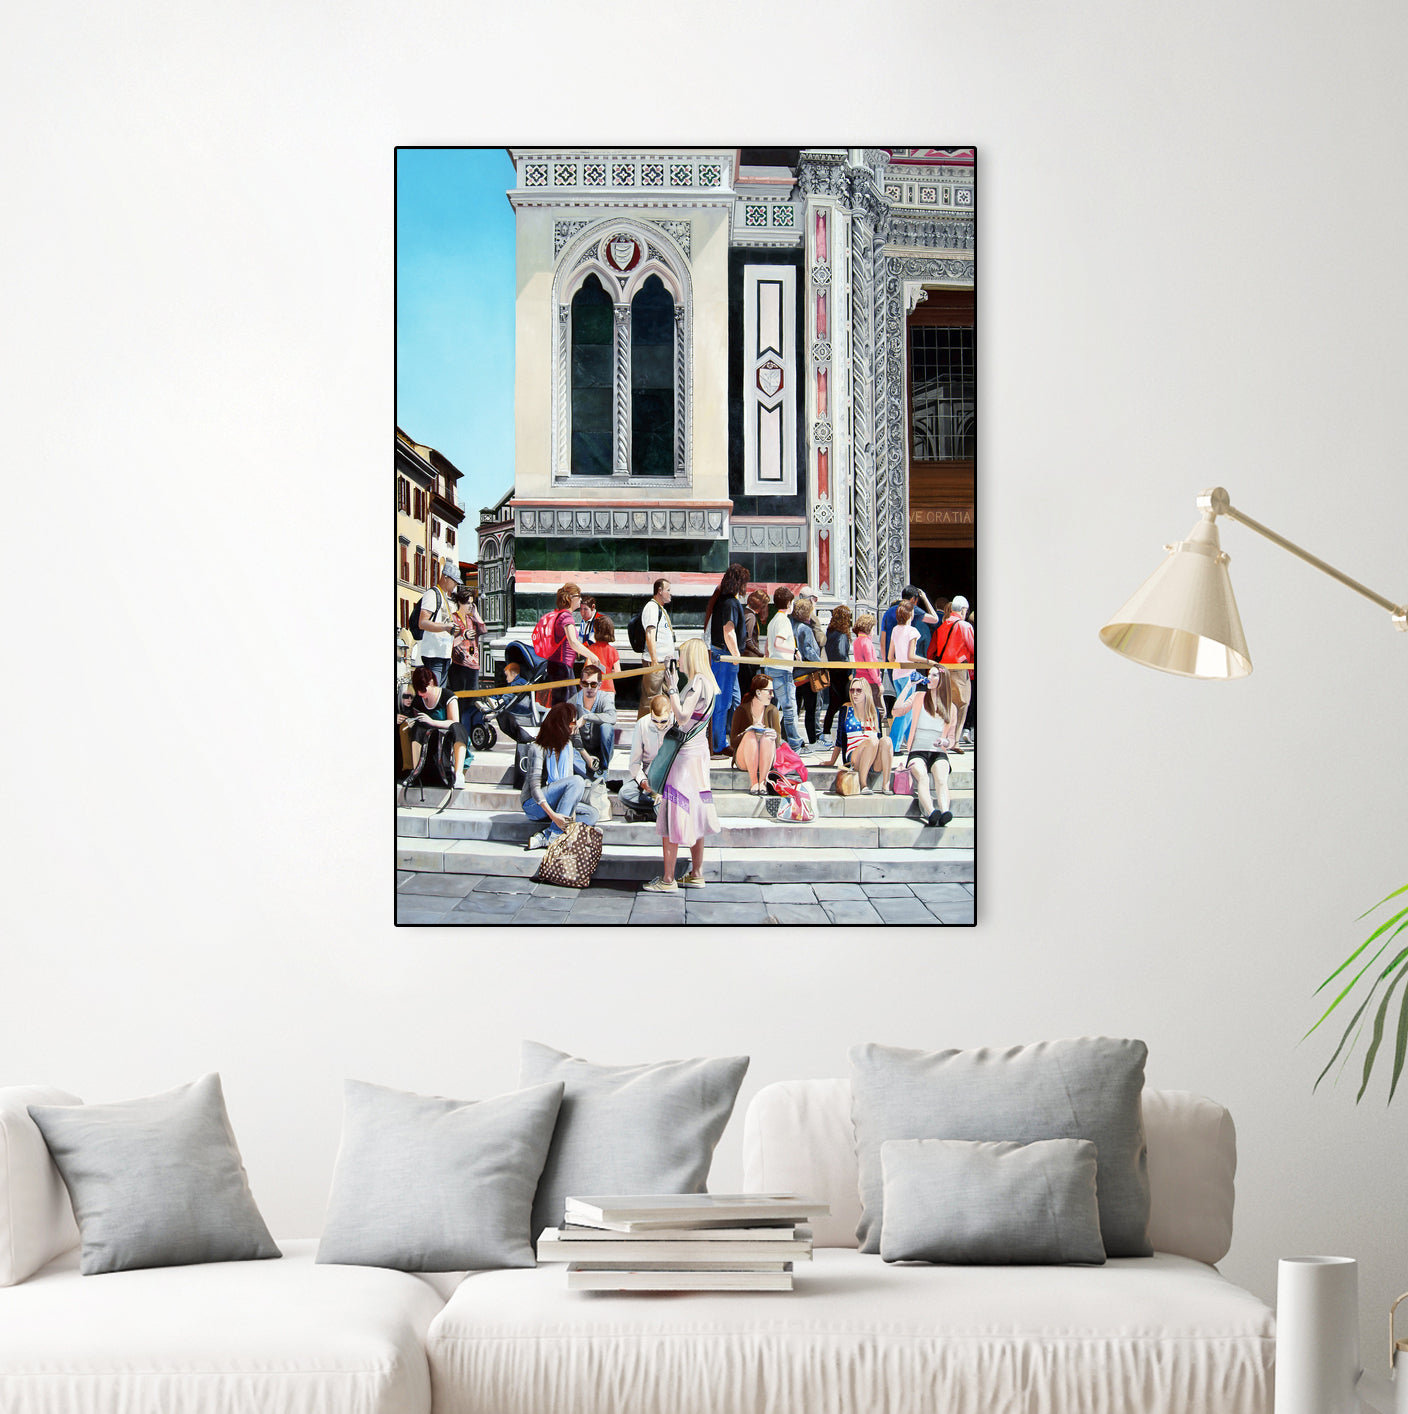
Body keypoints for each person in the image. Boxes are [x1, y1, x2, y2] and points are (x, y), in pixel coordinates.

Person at [642, 638, 719, 893]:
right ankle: (696, 873)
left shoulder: (697, 682)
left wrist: (673, 689)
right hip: (698, 755)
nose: (680, 659)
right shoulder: (709, 683)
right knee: (696, 811)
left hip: (684, 757)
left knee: (674, 811)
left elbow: (683, 716)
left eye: (683, 654)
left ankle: (667, 879)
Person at [520, 703, 599, 851]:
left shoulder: (567, 746)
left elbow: (568, 781)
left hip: (558, 803)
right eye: (572, 722)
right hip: (535, 804)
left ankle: (546, 834)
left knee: (592, 814)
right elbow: (535, 789)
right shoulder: (537, 748)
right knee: (577, 781)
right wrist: (554, 816)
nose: (574, 726)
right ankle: (555, 835)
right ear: (561, 724)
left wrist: (572, 810)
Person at [901, 664, 958, 827]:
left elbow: (952, 739)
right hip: (917, 751)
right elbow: (897, 711)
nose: (929, 678)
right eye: (929, 674)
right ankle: (932, 812)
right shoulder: (919, 697)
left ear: (942, 681)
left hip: (938, 751)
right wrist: (908, 687)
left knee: (941, 779)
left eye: (934, 675)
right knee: (923, 777)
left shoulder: (951, 708)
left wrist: (945, 742)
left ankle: (945, 811)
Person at [703, 562, 749, 754]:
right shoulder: (730, 602)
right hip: (725, 656)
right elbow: (728, 630)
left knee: (728, 700)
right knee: (722, 703)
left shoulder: (722, 600)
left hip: (720, 654)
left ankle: (720, 741)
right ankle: (718, 744)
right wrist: (736, 655)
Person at [404, 664, 469, 790]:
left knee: (459, 729)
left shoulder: (447, 695)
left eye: (423, 690)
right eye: (418, 690)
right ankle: (416, 770)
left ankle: (458, 774)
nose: (421, 693)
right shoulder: (418, 699)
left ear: (432, 682)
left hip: (447, 736)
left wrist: (433, 722)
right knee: (416, 729)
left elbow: (454, 722)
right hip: (428, 738)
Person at [880, 584, 941, 717]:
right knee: (906, 706)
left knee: (900, 701)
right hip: (907, 665)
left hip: (893, 665)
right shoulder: (912, 610)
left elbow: (882, 639)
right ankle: (899, 737)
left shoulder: (888, 612)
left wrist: (886, 663)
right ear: (914, 599)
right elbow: (935, 619)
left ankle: (903, 735)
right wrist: (925, 599)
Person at [823, 677, 893, 793]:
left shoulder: (874, 711)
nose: (855, 694)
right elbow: (840, 740)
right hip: (855, 756)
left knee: (886, 740)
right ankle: (863, 784)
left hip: (874, 757)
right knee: (872, 741)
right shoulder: (846, 709)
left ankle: (886, 784)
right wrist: (832, 761)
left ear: (866, 692)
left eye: (859, 690)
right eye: (852, 690)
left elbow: (880, 739)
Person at [544, 582, 602, 707]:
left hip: (559, 665)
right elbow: (573, 642)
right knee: (565, 704)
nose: (580, 600)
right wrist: (592, 656)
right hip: (562, 666)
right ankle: (561, 726)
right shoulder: (566, 617)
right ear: (570, 598)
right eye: (579, 596)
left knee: (566, 702)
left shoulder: (560, 614)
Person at [929, 594, 975, 747]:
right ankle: (954, 741)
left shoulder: (941, 628)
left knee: (946, 705)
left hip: (943, 671)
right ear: (963, 610)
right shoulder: (965, 626)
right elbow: (974, 648)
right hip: (960, 671)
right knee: (962, 704)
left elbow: (931, 652)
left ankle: (943, 737)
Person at [764, 586, 806, 752]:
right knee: (789, 708)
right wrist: (795, 651)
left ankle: (770, 742)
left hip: (771, 667)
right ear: (789, 603)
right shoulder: (784, 621)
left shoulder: (774, 620)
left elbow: (768, 646)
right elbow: (778, 643)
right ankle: (795, 743)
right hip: (782, 669)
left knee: (770, 708)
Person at [619, 695, 671, 820]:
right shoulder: (642, 724)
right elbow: (634, 763)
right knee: (625, 793)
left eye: (663, 721)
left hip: (671, 780)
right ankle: (661, 810)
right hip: (649, 778)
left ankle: (647, 815)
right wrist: (643, 781)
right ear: (650, 713)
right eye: (655, 721)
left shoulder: (678, 725)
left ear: (670, 713)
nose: (659, 725)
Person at [729, 674, 780, 796]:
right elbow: (733, 742)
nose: (772, 695)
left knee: (767, 738)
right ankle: (754, 782)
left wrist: (774, 735)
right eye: (769, 692)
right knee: (750, 735)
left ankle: (762, 782)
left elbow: (778, 743)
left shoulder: (772, 711)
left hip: (766, 758)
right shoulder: (741, 710)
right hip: (744, 758)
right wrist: (747, 732)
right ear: (758, 692)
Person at [567, 663, 616, 781]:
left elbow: (612, 717)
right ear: (580, 684)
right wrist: (587, 757)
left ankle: (602, 769)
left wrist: (586, 717)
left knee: (606, 727)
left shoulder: (604, 698)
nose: (589, 688)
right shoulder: (573, 702)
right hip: (581, 751)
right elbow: (573, 733)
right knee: (566, 746)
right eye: (585, 684)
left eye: (593, 684)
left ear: (599, 685)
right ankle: (592, 776)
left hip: (600, 749)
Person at [416, 561, 461, 687]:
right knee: (434, 692)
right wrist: (445, 627)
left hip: (444, 654)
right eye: (454, 581)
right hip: (433, 654)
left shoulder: (445, 597)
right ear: (445, 578)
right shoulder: (432, 594)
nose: (456, 585)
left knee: (439, 693)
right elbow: (422, 623)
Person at [637, 578, 676, 718]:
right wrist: (654, 661)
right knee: (650, 699)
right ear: (659, 591)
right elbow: (650, 634)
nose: (671, 594)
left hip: (665, 662)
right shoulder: (652, 608)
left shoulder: (660, 609)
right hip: (656, 662)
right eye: (668, 590)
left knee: (664, 698)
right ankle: (643, 731)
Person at [791, 596, 825, 747]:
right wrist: (821, 664)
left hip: (795, 674)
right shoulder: (805, 629)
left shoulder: (791, 625)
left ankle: (788, 736)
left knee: (795, 708)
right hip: (808, 674)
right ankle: (812, 739)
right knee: (811, 709)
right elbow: (809, 651)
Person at [822, 605, 853, 742]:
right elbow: (842, 655)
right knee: (847, 703)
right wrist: (849, 673)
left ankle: (826, 732)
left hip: (832, 671)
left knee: (834, 704)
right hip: (842, 674)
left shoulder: (830, 632)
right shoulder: (842, 635)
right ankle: (845, 732)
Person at [495, 658, 539, 746]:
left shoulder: (518, 684)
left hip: (521, 708)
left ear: (514, 674)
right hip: (521, 706)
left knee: (503, 715)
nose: (506, 678)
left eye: (507, 675)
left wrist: (499, 700)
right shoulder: (519, 682)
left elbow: (508, 695)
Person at [852, 613, 884, 724]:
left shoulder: (856, 641)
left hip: (860, 680)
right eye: (873, 628)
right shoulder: (867, 642)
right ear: (868, 627)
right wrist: (879, 683)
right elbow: (871, 666)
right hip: (870, 682)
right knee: (879, 710)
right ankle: (877, 735)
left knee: (864, 710)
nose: (874, 632)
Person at [591, 614, 621, 691]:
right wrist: (609, 672)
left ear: (594, 629)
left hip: (593, 688)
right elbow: (618, 673)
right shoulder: (613, 651)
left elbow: (586, 669)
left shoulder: (591, 649)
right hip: (609, 688)